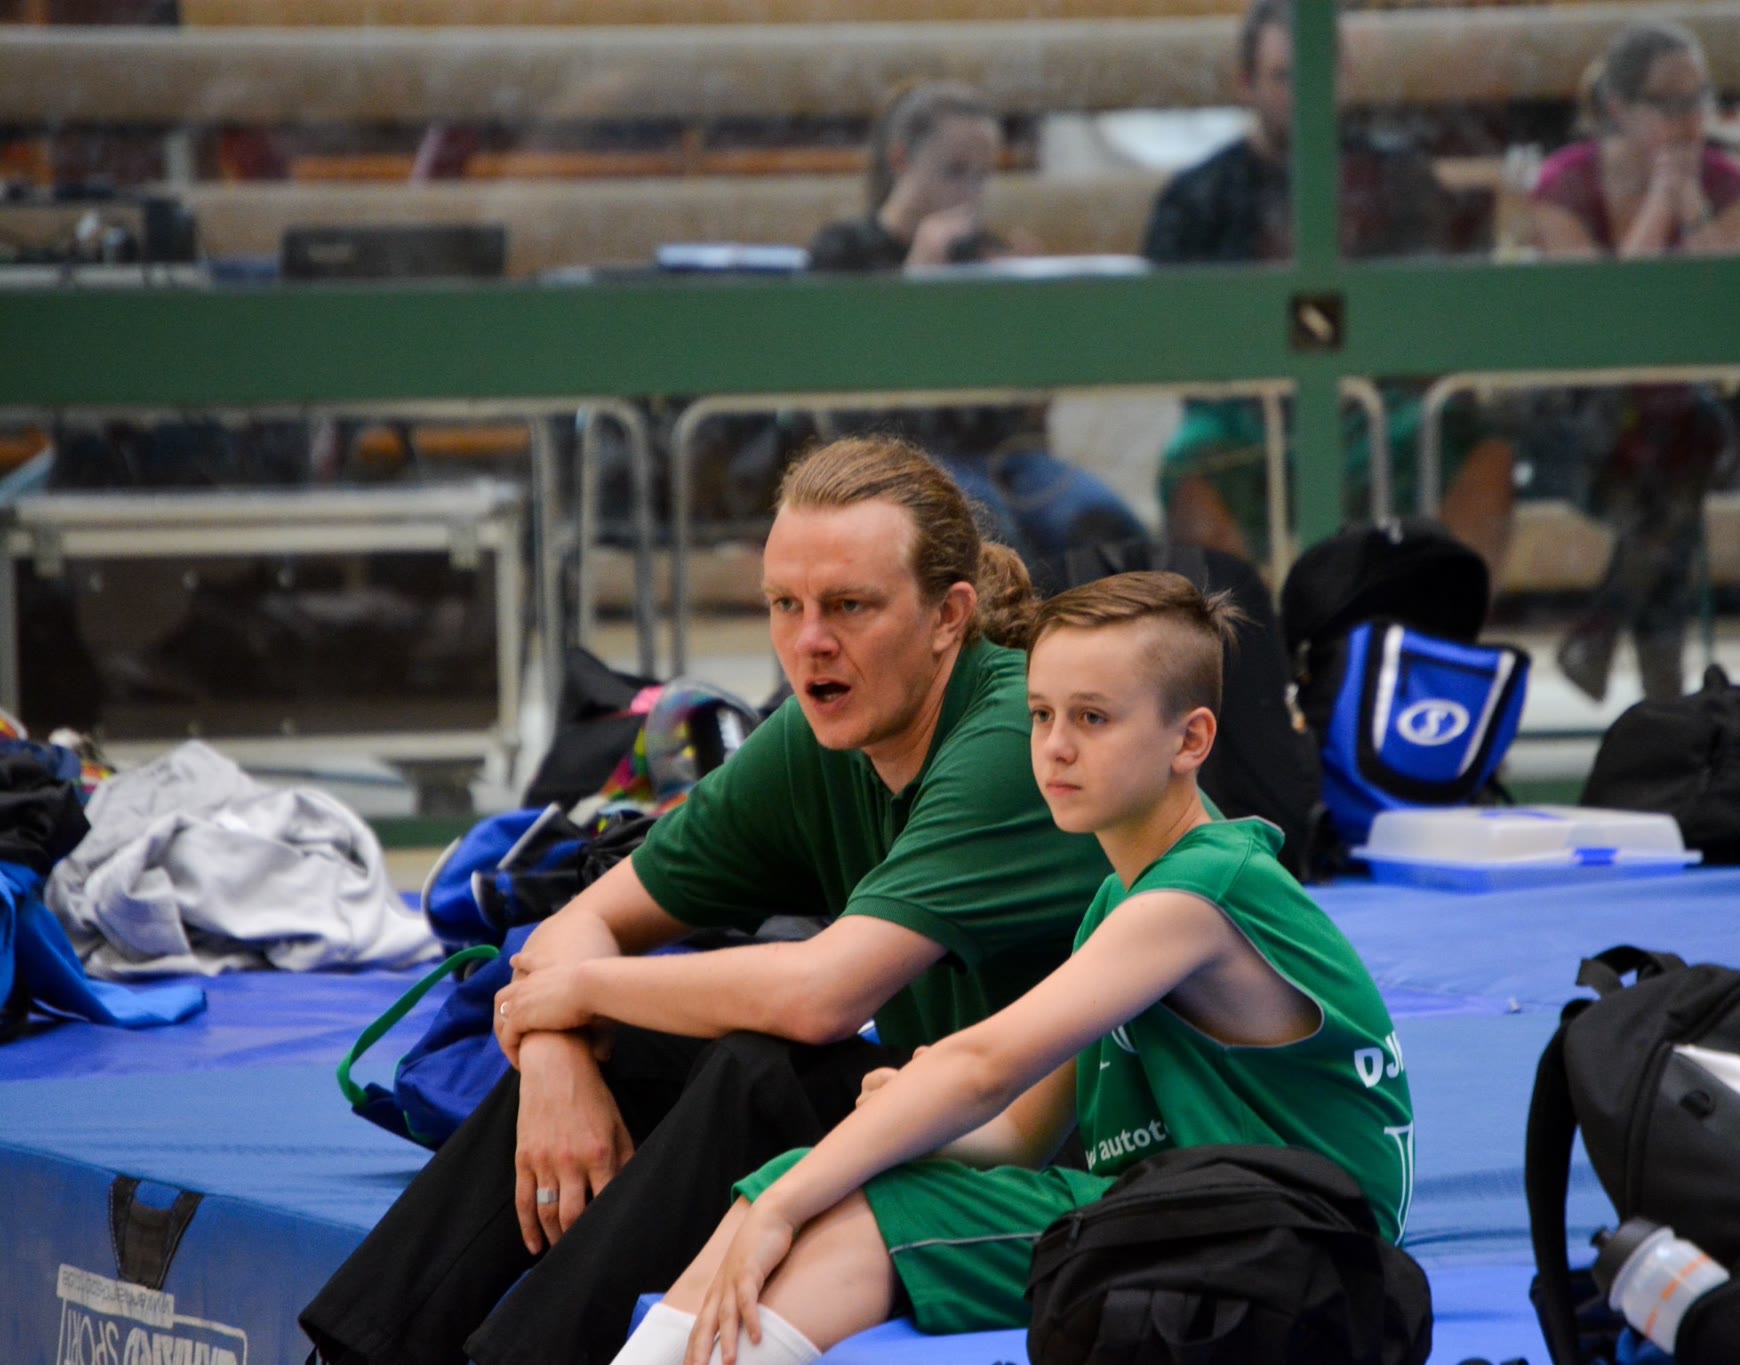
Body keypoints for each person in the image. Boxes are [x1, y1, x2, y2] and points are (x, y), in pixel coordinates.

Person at [300, 436, 1115, 1365]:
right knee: (643, 1043)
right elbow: (584, 920)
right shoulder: (821, 732)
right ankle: (357, 1354)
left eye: (849, 605)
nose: (809, 641)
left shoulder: (1016, 735)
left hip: (1058, 1163)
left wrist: (575, 992)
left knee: (760, 1066)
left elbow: (822, 995)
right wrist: (559, 1051)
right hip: (929, 1108)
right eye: (784, 605)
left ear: (948, 616)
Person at [607, 571, 1414, 1365]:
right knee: (793, 1178)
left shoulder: (1200, 893)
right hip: (1192, 1213)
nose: (1055, 745)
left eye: (1092, 717)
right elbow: (1021, 1129)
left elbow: (984, 1067)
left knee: (845, 1214)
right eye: (1040, 713)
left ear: (1191, 740)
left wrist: (794, 1201)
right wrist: (896, 1125)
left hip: (1297, 1243)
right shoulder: (1121, 898)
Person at [1141, 0, 1514, 579]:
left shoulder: (1398, 178)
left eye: (1318, 75)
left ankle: (1437, 630)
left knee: (1482, 446)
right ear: (1246, 84)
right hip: (1246, 419)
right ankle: (1248, 635)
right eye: (1284, 77)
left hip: (1380, 412)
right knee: (1192, 460)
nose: (1303, 95)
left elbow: (1443, 312)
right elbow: (1172, 340)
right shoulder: (1197, 198)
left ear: (1345, 77)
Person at [806, 82, 1146, 576]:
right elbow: (848, 392)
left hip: (999, 458)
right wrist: (919, 282)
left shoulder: (982, 253)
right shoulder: (844, 252)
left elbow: (1023, 405)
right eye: (953, 171)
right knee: (991, 537)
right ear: (901, 161)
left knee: (1105, 528)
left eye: (981, 175)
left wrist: (1028, 318)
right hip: (896, 457)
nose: (969, 192)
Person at [1527, 19, 1740, 703]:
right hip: (1584, 413)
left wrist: (1691, 203)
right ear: (1618, 108)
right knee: (1681, 465)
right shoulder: (1562, 184)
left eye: (1699, 99)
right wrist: (1659, 202)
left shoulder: (1727, 183)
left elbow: (1723, 310)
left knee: (1686, 447)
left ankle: (1606, 643)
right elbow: (1609, 325)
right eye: (1668, 103)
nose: (1690, 120)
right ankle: (1666, 697)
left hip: (1678, 408)